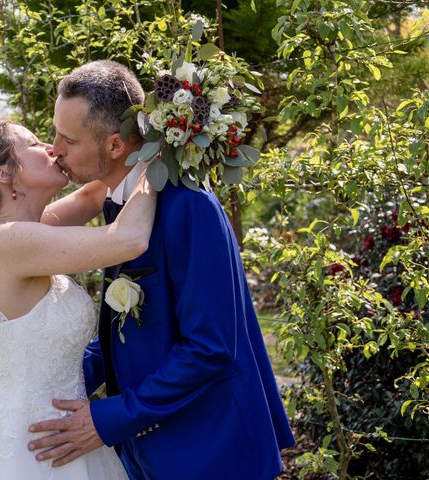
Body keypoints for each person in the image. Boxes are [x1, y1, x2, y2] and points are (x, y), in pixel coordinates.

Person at [27, 60, 296, 479]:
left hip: (210, 453)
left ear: (115, 145)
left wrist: (109, 418)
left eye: (67, 139)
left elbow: (210, 347)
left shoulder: (189, 205)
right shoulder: (121, 201)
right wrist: (59, 376)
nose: (54, 148)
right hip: (150, 452)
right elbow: (138, 326)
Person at [0, 119, 157, 480]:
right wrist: (159, 155)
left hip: (46, 432)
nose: (52, 148)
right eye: (34, 144)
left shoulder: (14, 233)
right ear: (4, 172)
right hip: (27, 447)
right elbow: (128, 239)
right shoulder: (9, 243)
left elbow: (91, 196)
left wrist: (127, 145)